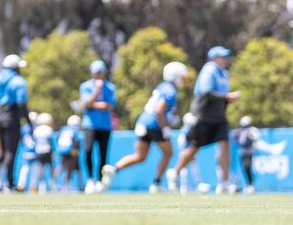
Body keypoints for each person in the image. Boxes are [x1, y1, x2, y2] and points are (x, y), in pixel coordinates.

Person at [101, 62, 189, 193]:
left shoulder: (162, 86)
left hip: (143, 122)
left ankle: (114, 169)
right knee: (168, 152)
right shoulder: (170, 90)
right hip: (154, 124)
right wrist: (164, 127)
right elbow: (159, 111)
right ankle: (157, 183)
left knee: (140, 156)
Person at [169, 46, 240, 194]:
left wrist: (227, 100)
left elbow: (221, 96)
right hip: (204, 115)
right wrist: (227, 97)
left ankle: (224, 182)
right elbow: (206, 93)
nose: (225, 59)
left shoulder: (224, 74)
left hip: (219, 116)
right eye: (222, 56)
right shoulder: (209, 69)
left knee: (224, 144)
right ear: (214, 58)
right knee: (195, 146)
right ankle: (175, 173)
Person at [0, 54, 29, 192]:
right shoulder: (19, 81)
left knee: (2, 150)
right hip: (11, 117)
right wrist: (27, 121)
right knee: (10, 151)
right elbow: (22, 104)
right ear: (15, 68)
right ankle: (9, 183)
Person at [79, 59, 116, 193]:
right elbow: (85, 104)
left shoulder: (110, 87)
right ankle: (90, 180)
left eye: (100, 72)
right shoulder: (85, 86)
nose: (98, 75)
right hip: (90, 125)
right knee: (88, 151)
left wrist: (92, 105)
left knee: (103, 155)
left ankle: (101, 182)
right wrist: (97, 90)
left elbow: (109, 106)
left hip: (105, 126)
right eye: (96, 72)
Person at [53, 115, 82, 191]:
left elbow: (57, 138)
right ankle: (67, 184)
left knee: (63, 166)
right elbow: (76, 141)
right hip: (70, 150)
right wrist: (75, 150)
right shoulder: (75, 130)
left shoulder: (63, 128)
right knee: (71, 167)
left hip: (61, 149)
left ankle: (54, 180)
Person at [233, 115, 260, 193]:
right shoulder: (239, 131)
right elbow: (235, 138)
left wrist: (250, 136)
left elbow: (256, 138)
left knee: (247, 166)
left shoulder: (252, 130)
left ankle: (250, 185)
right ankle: (239, 185)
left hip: (249, 150)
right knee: (243, 168)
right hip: (242, 150)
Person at [30, 113, 55, 193]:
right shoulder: (49, 129)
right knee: (50, 169)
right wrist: (53, 152)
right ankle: (52, 185)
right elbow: (51, 142)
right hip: (47, 150)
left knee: (40, 170)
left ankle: (41, 186)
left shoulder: (36, 130)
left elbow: (34, 142)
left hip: (39, 151)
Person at [16, 111, 38, 192]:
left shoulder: (24, 128)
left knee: (24, 169)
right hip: (35, 152)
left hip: (26, 152)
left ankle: (21, 185)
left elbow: (21, 140)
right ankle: (33, 186)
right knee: (34, 170)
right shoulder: (36, 128)